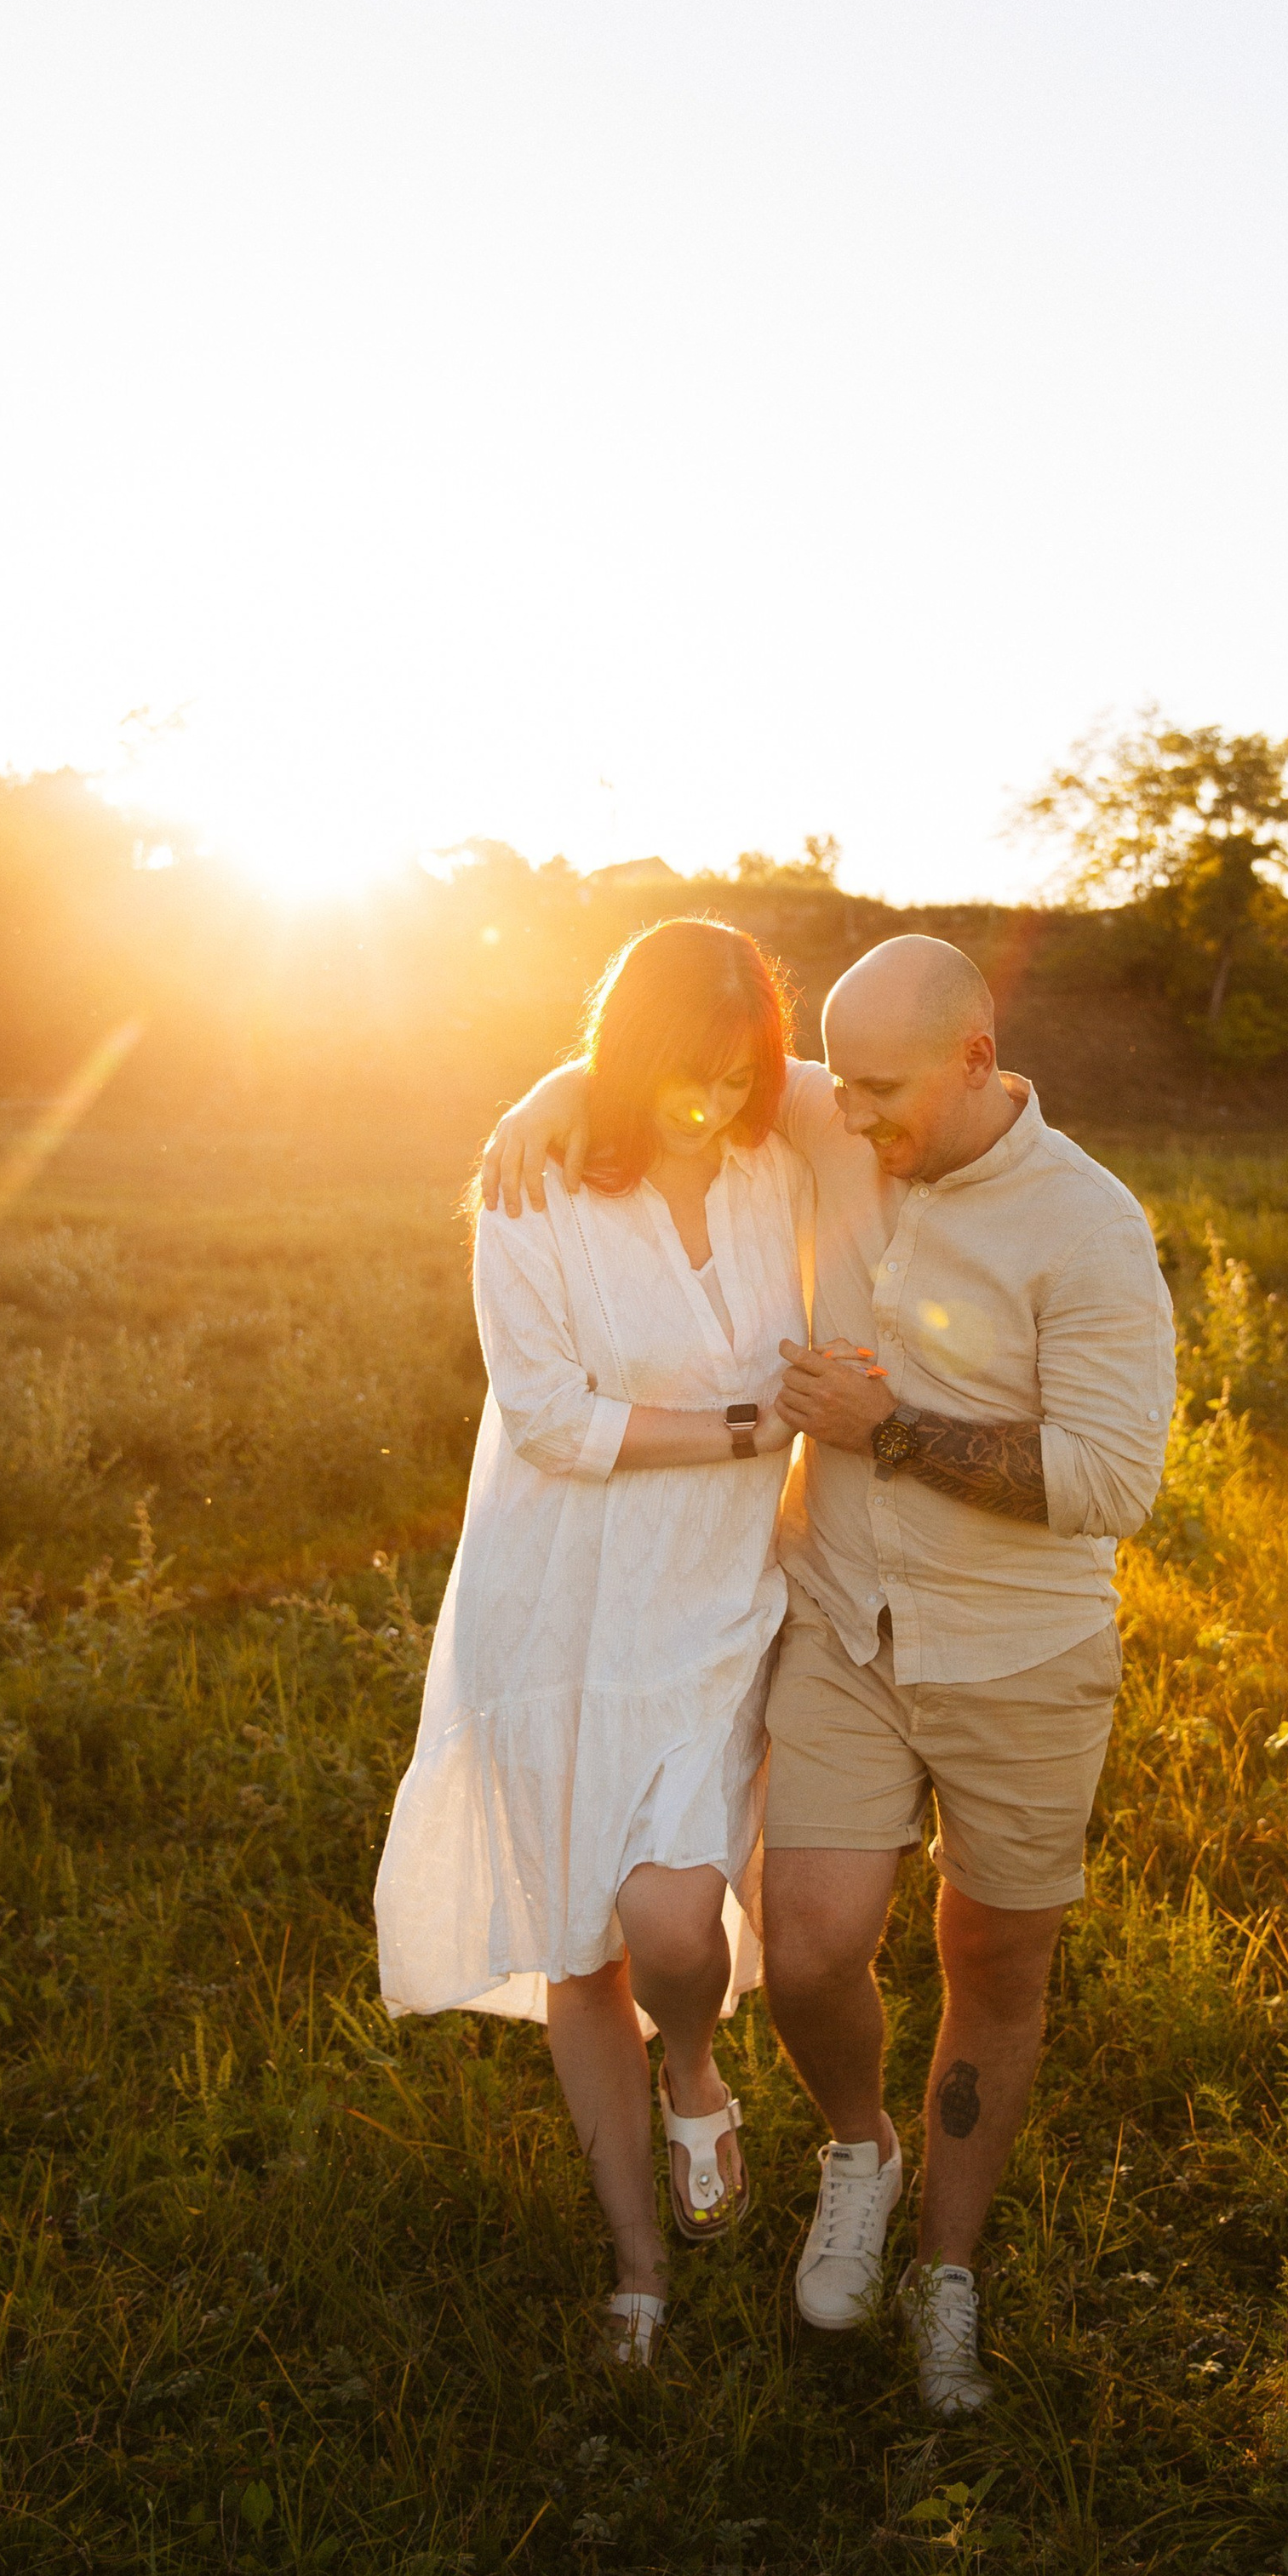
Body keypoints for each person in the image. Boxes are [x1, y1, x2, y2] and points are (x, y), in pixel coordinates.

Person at [482, 934, 1176, 2414]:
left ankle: (948, 2272)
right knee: (802, 1949)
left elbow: (1114, 1482)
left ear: (975, 1066)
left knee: (994, 1966)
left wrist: (895, 1430)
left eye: (874, 1093)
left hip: (1019, 1657)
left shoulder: (1090, 1227)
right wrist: (542, 1092)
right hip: (844, 1628)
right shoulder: (837, 1104)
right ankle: (856, 2150)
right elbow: (676, 1063)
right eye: (835, 1085)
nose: (837, 1116)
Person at [375, 918, 812, 2369]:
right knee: (582, 1943)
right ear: (626, 1060)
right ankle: (638, 2262)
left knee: (674, 1918)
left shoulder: (782, 1166)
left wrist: (560, 1073)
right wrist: (754, 1426)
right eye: (674, 1071)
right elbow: (555, 1421)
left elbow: (863, 1083)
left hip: (714, 1604)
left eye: (733, 1066)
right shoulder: (535, 1189)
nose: (708, 1099)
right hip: (560, 1608)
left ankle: (695, 2069)